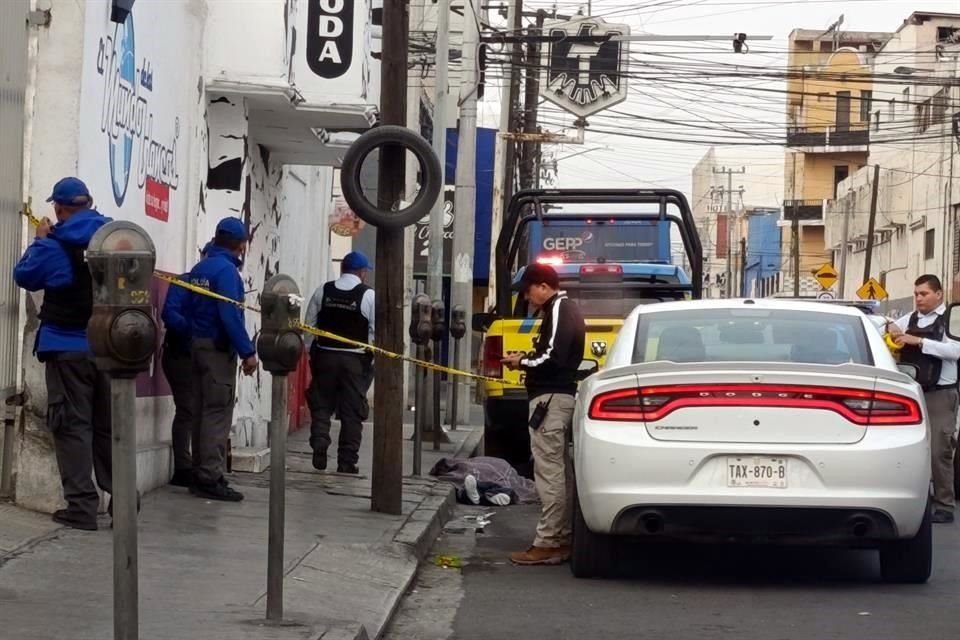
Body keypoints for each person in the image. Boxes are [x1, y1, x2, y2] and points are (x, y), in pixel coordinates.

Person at [13, 177, 113, 530]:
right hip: (110, 349)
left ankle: (82, 507)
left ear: (58, 207)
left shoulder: (55, 245)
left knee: (72, 427)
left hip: (67, 347)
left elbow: (24, 276)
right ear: (90, 203)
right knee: (108, 428)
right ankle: (124, 501)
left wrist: (39, 242)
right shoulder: (113, 238)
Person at [501, 263, 586, 564]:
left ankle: (548, 541)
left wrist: (521, 362)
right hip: (558, 398)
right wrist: (525, 360)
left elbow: (552, 356)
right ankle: (560, 539)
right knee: (559, 472)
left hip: (549, 400)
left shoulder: (560, 308)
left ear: (542, 286)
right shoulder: (561, 310)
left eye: (527, 290)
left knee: (549, 473)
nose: (526, 297)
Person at [186, 218, 258, 501]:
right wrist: (247, 352)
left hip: (196, 346)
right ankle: (210, 476)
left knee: (200, 412)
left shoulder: (199, 268)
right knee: (217, 414)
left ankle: (199, 471)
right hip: (217, 351)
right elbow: (229, 314)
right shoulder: (227, 273)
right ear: (241, 244)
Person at [888, 274, 960, 524]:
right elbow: (885, 325)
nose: (919, 298)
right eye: (916, 294)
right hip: (912, 393)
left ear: (939, 294)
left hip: (941, 394)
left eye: (924, 294)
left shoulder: (951, 320)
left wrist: (919, 342)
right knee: (908, 449)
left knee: (939, 451)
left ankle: (944, 505)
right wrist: (890, 327)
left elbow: (956, 350)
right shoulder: (910, 318)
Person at [304, 251, 375, 474]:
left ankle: (320, 441)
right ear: (363, 272)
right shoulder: (369, 295)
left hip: (324, 357)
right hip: (355, 360)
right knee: (352, 412)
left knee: (321, 404)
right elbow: (374, 332)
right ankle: (346, 460)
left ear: (343, 268)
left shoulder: (322, 290)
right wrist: (370, 356)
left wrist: (310, 352)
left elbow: (309, 327)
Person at [160, 241, 211, 488]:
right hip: (180, 353)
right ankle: (183, 467)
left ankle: (200, 465)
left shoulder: (218, 285)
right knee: (188, 409)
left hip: (203, 354)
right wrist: (195, 332)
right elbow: (169, 314)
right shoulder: (184, 282)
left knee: (200, 410)